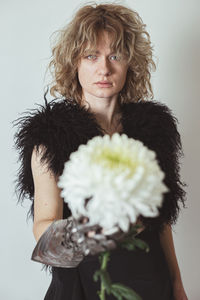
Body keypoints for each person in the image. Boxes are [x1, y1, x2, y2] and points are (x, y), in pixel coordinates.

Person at [13, 2, 188, 300]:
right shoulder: (50, 136)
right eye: (91, 56)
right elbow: (43, 225)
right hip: (82, 284)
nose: (104, 68)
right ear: (74, 63)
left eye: (115, 56)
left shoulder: (155, 131)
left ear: (130, 62)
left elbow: (162, 221)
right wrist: (95, 231)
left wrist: (176, 283)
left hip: (149, 282)